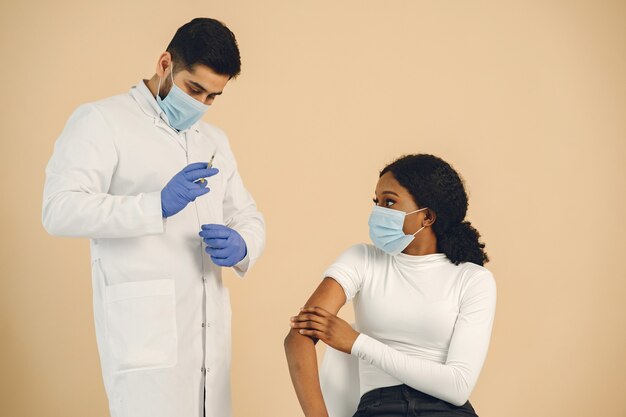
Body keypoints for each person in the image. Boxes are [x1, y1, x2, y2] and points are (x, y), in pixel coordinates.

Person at [42, 18, 265, 417]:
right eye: (194, 89)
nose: (201, 105)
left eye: (213, 97)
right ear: (165, 63)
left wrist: (244, 243)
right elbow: (59, 209)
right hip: (145, 336)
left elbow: (246, 214)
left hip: (209, 341)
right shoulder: (102, 121)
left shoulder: (214, 141)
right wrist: (154, 205)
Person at [285, 154, 496, 417]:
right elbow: (298, 337)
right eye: (376, 202)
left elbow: (457, 386)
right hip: (379, 407)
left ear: (427, 216)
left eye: (389, 202)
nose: (378, 211)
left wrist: (358, 343)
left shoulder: (472, 279)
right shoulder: (362, 259)